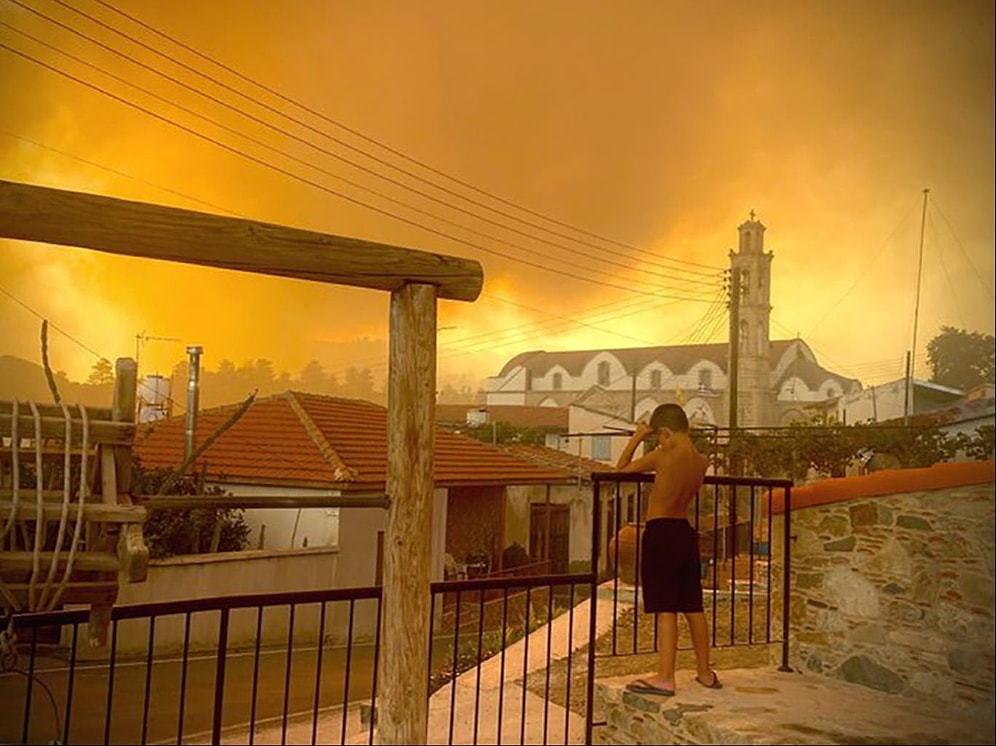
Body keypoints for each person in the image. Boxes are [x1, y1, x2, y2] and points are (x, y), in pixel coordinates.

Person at [615, 403, 721, 696]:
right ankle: (705, 672)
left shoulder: (665, 454)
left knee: (666, 609)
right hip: (685, 534)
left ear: (665, 432)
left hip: (661, 532)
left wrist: (637, 437)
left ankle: (664, 676)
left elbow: (620, 469)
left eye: (658, 437)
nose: (658, 442)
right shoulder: (700, 461)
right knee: (692, 606)